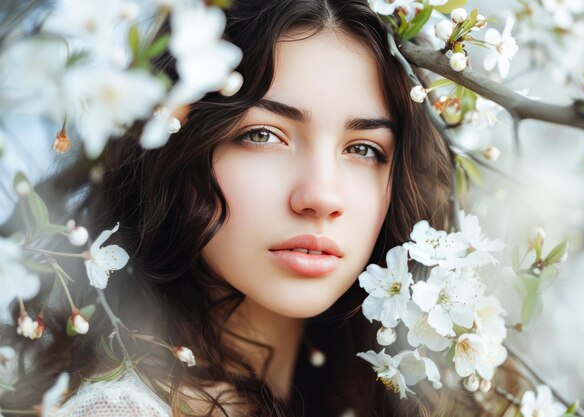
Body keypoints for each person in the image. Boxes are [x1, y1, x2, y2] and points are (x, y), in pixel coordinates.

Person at [0, 0, 455, 416]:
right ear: (178, 146)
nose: (321, 197)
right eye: (262, 135)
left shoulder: (361, 393)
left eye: (363, 149)